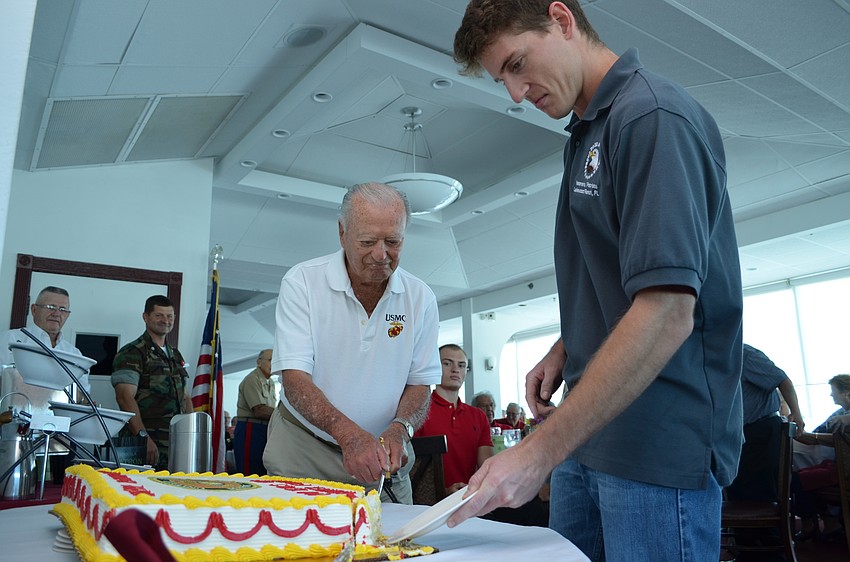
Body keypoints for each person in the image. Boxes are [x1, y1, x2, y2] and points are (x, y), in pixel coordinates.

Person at [450, 3, 744, 561]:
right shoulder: (586, 132)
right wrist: (567, 346)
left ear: (561, 20)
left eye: (517, 64)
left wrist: (538, 453)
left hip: (654, 444)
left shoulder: (651, 115)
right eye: (502, 79)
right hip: (590, 436)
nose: (515, 93)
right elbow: (623, 278)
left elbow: (665, 311)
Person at [262, 182, 441, 504]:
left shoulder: (420, 297)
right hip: (306, 450)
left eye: (393, 241)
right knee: (301, 548)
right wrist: (349, 435)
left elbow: (420, 384)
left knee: (390, 547)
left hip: (383, 460)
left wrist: (401, 427)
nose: (380, 255)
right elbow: (294, 379)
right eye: (368, 241)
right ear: (342, 233)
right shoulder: (302, 282)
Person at [112, 295, 192, 470]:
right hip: (145, 445)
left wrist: (191, 436)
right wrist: (143, 437)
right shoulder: (133, 352)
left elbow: (185, 396)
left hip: (175, 445)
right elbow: (124, 398)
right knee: (139, 494)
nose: (165, 320)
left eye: (170, 316)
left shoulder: (175, 355)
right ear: (145, 317)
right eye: (159, 315)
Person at [726, 344, 804, 503]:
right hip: (739, 435)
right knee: (738, 493)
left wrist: (796, 413)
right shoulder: (714, 356)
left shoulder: (743, 354)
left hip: (760, 432)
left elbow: (782, 380)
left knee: (756, 496)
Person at [414, 344, 493, 495]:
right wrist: (443, 492)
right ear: (435, 367)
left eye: (461, 365)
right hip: (430, 506)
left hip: (472, 498)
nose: (455, 369)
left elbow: (486, 467)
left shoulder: (478, 416)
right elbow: (412, 471)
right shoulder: (418, 412)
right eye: (447, 363)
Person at [1, 286, 90, 393]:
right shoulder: (8, 340)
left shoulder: (75, 354)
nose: (56, 314)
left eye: (62, 309)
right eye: (50, 307)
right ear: (34, 310)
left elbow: (82, 396)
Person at [233, 349, 277, 475]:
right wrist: (282, 415)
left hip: (265, 430)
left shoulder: (271, 382)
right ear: (259, 362)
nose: (273, 364)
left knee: (263, 470)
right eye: (270, 360)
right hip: (251, 430)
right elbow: (260, 410)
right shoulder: (252, 379)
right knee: (250, 471)